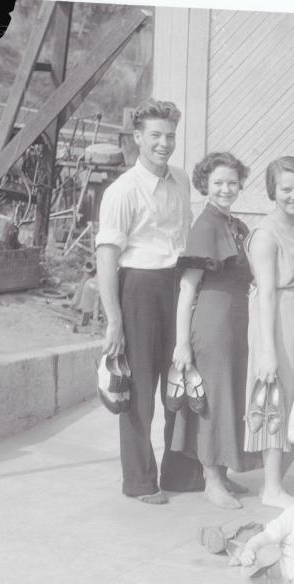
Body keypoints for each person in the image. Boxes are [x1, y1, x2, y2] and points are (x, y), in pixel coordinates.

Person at [95, 99, 203, 504]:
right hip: (139, 288)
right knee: (139, 390)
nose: (163, 143)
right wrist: (114, 321)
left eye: (170, 136)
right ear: (137, 137)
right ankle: (140, 481)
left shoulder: (181, 179)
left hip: (177, 284)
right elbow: (107, 256)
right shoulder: (123, 190)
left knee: (180, 378)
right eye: (155, 135)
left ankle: (180, 472)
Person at [170, 151, 256, 509]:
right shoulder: (205, 226)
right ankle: (211, 480)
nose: (225, 189)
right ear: (205, 184)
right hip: (212, 321)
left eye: (232, 183)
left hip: (237, 321)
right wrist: (181, 343)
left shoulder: (236, 226)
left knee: (230, 397)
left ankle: (222, 471)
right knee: (213, 400)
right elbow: (187, 288)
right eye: (218, 182)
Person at [243, 156, 294, 508]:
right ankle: (271, 487)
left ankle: (288, 481)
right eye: (286, 188)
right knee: (276, 398)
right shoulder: (265, 233)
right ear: (273, 190)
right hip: (275, 318)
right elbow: (266, 293)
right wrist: (267, 350)